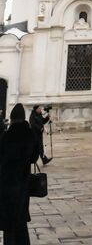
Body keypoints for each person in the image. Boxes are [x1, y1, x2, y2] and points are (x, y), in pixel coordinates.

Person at [0, 103, 40, 245]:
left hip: (6, 183)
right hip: (23, 183)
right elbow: (34, 157)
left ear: (12, 118)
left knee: (8, 222)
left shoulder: (6, 135)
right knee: (21, 219)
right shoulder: (29, 135)